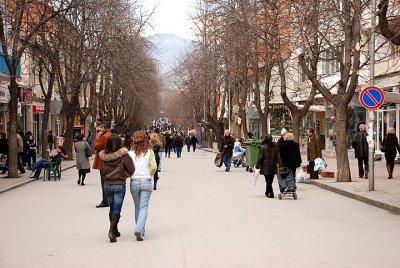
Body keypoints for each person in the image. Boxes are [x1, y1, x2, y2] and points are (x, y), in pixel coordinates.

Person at [99, 134, 134, 243]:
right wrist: (125, 175)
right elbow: (132, 169)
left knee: (112, 207)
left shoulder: (103, 156)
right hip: (119, 183)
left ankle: (115, 230)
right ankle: (111, 231)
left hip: (107, 184)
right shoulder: (124, 155)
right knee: (117, 208)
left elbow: (102, 170)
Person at [129, 131, 157, 241]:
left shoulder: (130, 153)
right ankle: (139, 229)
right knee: (144, 206)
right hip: (146, 180)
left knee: (137, 206)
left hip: (134, 181)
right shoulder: (150, 152)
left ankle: (140, 228)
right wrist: (149, 174)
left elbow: (127, 167)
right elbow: (154, 167)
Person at [93, 121, 113, 208]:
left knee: (104, 181)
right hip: (108, 160)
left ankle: (106, 200)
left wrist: (98, 137)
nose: (99, 129)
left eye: (101, 127)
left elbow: (96, 146)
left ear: (105, 128)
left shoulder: (104, 136)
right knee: (107, 181)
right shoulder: (110, 134)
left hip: (103, 161)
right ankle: (108, 199)